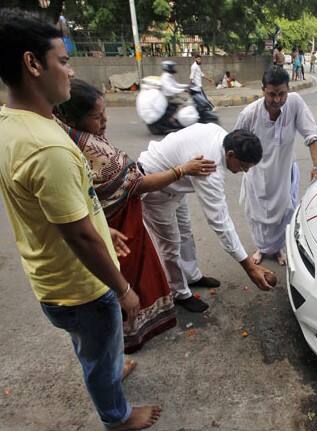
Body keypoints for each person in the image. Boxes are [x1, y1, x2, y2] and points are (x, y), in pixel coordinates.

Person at [0, 9, 160, 429]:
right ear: (32, 64)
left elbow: (50, 208)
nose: (71, 72)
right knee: (97, 348)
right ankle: (117, 417)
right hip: (82, 287)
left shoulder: (12, 124)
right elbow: (80, 239)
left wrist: (98, 222)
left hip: (52, 279)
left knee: (92, 346)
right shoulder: (47, 147)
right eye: (63, 60)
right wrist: (123, 289)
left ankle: (108, 368)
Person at [55, 79, 217, 352]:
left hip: (123, 218)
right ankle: (127, 338)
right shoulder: (81, 149)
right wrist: (182, 170)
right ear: (73, 118)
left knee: (157, 257)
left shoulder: (82, 137)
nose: (105, 120)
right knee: (130, 278)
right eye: (97, 117)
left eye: (104, 113)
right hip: (114, 225)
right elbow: (138, 183)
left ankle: (139, 327)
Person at [139, 124, 275, 312]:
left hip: (176, 186)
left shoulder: (222, 135)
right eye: (244, 166)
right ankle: (179, 292)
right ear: (230, 155)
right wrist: (249, 267)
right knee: (170, 245)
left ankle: (192, 276)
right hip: (156, 187)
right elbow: (220, 222)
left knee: (185, 233)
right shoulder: (210, 167)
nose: (245, 171)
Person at [234, 66, 317, 266]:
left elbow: (311, 134)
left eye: (281, 94)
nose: (277, 100)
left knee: (284, 214)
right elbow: (234, 143)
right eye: (272, 94)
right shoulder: (249, 114)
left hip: (285, 172)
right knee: (258, 215)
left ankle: (277, 248)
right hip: (257, 174)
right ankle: (261, 248)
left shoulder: (295, 102)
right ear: (263, 91)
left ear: (288, 90)